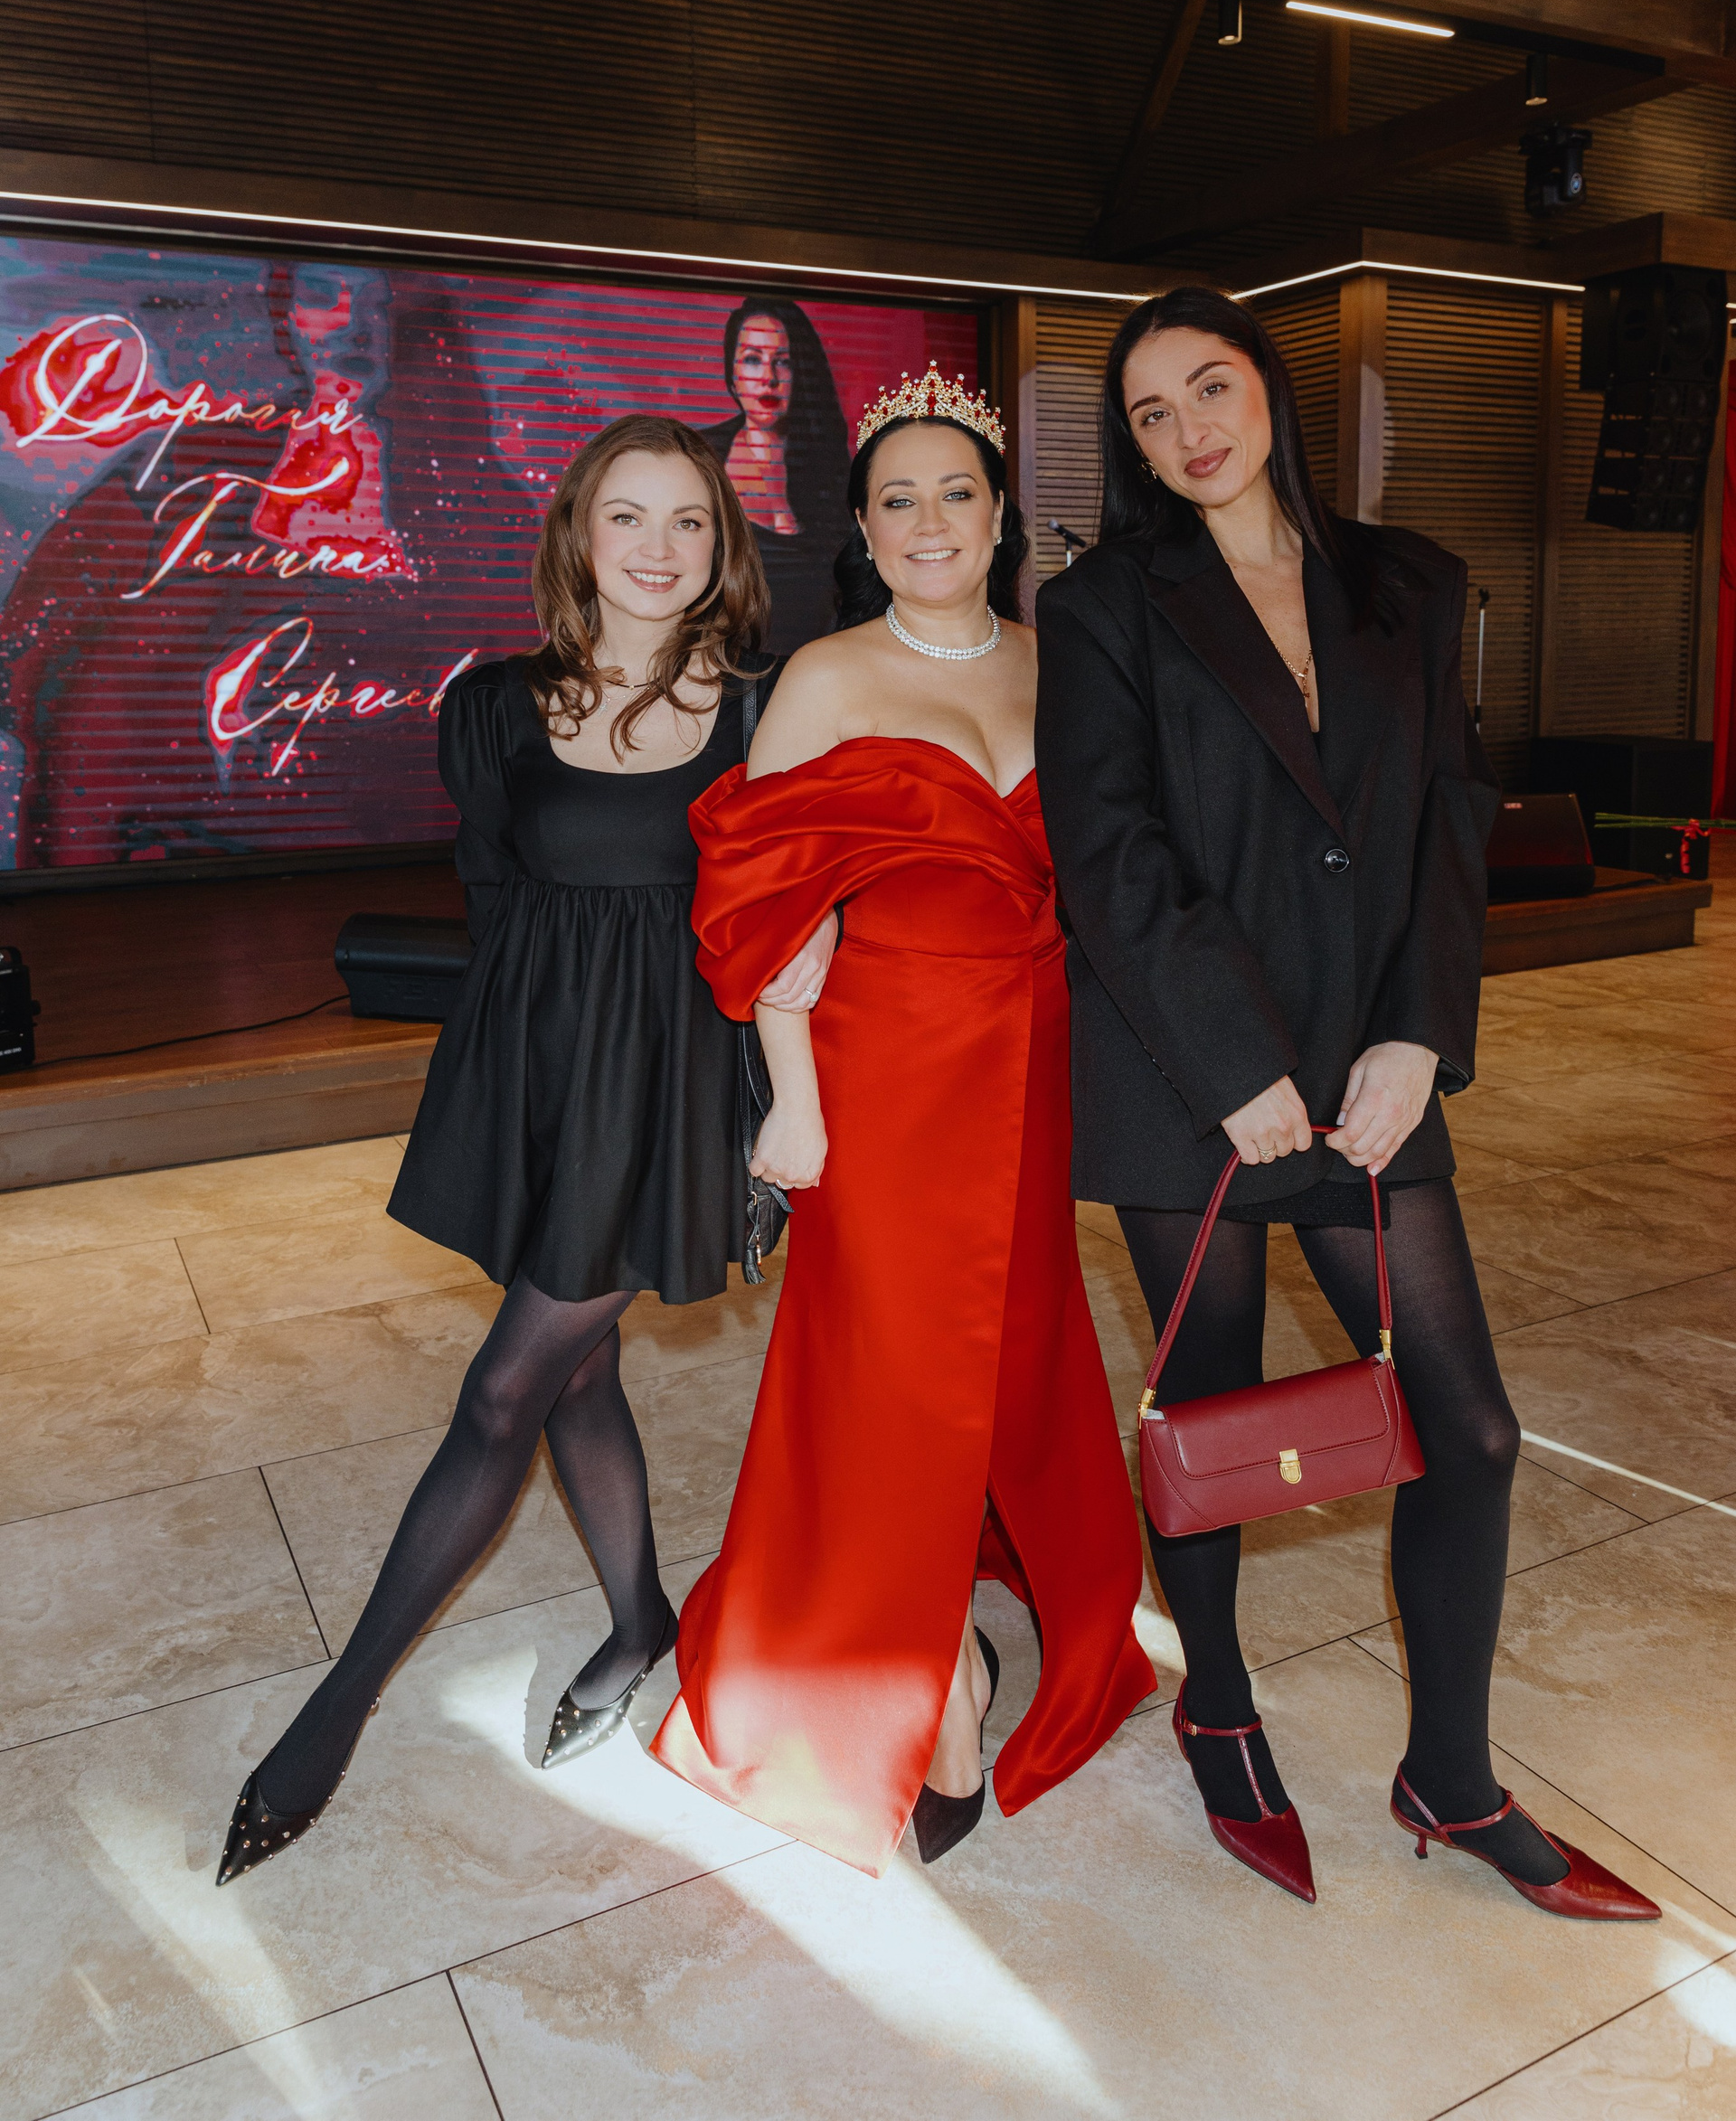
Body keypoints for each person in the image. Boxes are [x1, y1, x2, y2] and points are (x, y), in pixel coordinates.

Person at [1034, 288, 1658, 1921]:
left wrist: (1418, 1036)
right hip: (1193, 1075)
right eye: (1152, 413)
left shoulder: (1411, 582)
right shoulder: (1104, 605)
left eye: (1210, 387)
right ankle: (1222, 1707)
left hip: (1375, 1070)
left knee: (1473, 1429)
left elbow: (1451, 817)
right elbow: (1106, 849)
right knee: (1216, 1417)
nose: (1188, 430)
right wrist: (1236, 1066)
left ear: (1270, 387)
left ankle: (1449, 1775)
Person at [216, 415, 834, 1884]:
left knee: (505, 1387)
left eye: (688, 520)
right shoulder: (494, 707)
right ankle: (640, 1622)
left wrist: (781, 1094)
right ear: (577, 534)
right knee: (580, 1373)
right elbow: (496, 901)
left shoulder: (768, 709)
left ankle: (335, 1710)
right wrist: (504, 1096)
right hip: (549, 1079)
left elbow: (802, 908)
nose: (657, 548)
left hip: (677, 1097)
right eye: (629, 516)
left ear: (722, 546)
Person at [651, 363, 1156, 1875]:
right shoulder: (826, 678)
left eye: (956, 493)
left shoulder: (1068, 665)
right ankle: (930, 1680)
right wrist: (794, 1103)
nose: (928, 521)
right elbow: (757, 908)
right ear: (862, 531)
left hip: (1038, 1065)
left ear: (1002, 517)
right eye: (896, 500)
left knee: (1015, 1339)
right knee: (883, 1367)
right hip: (882, 1072)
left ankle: (980, 1590)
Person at [703, 296, 851, 652]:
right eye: (753, 359)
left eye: (782, 362)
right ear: (732, 374)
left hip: (816, 670)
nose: (768, 378)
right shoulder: (700, 459)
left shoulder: (834, 470)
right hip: (716, 668)